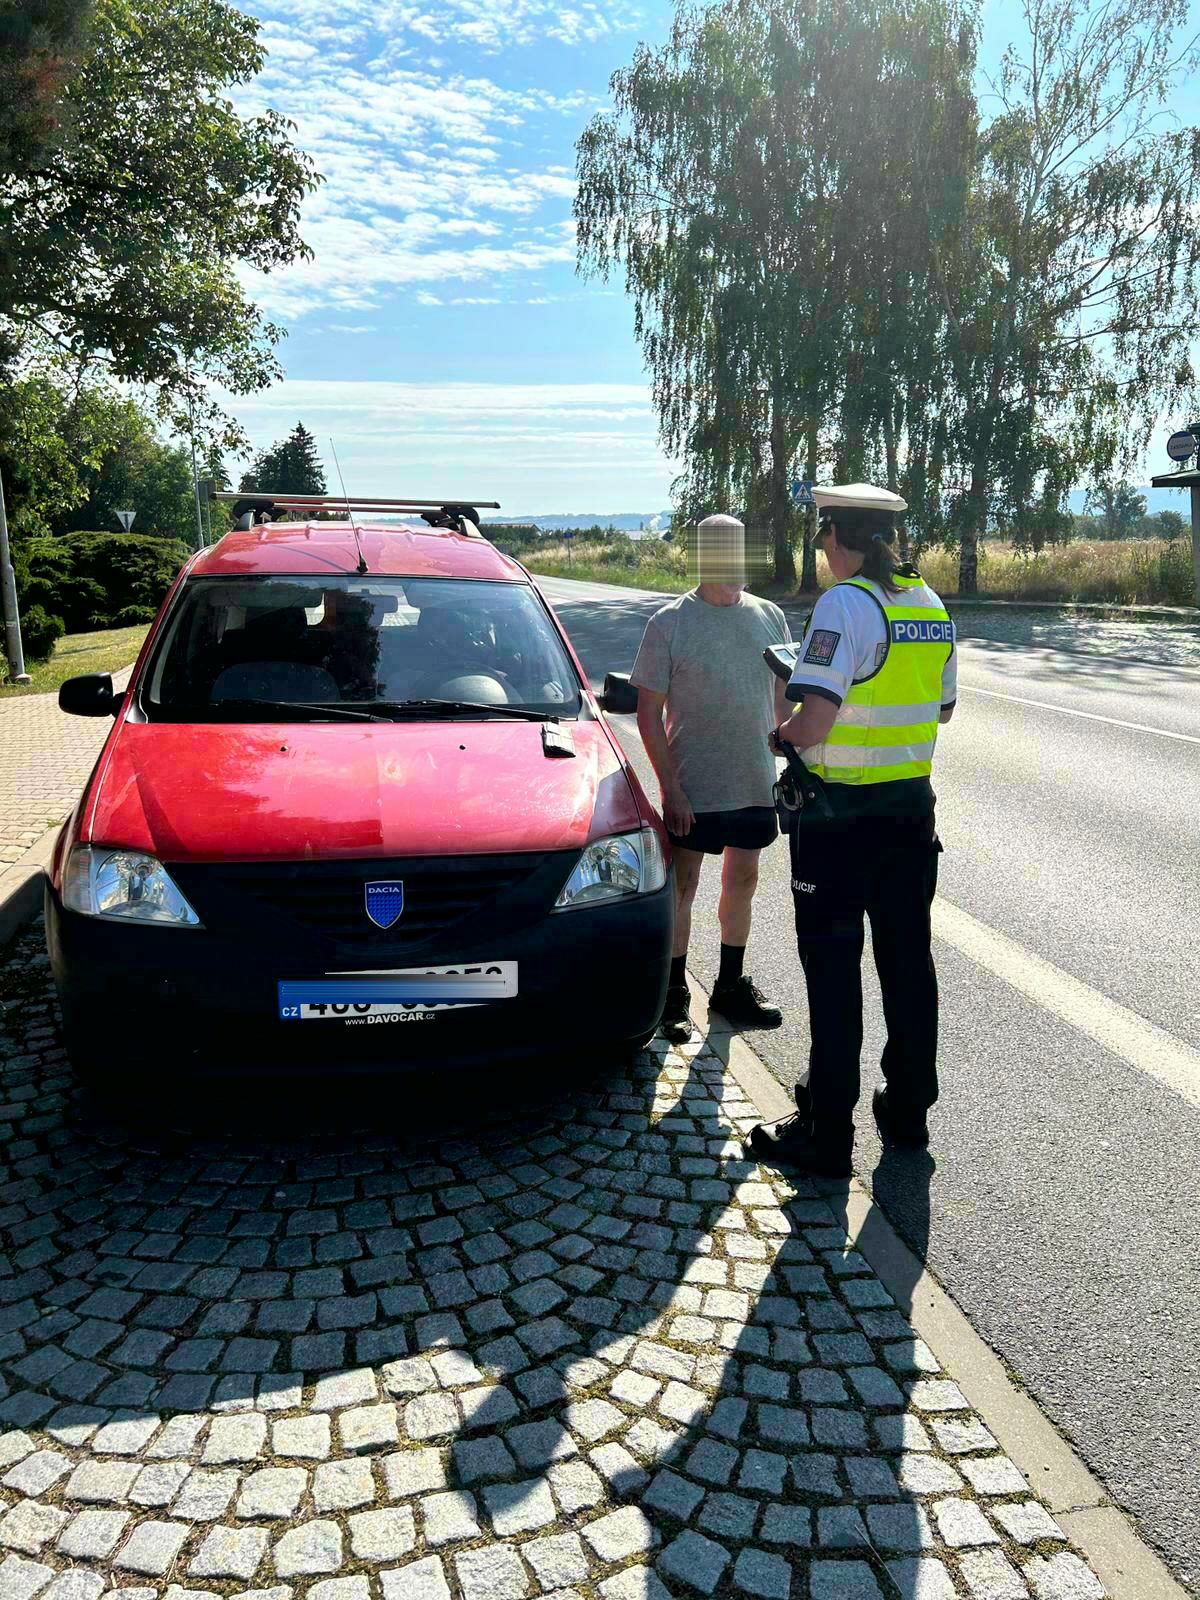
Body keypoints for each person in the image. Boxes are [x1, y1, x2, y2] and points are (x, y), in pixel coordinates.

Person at [748, 483, 957, 1178]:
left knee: (833, 974)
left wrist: (781, 737)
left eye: (823, 540)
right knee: (907, 964)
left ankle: (827, 1133)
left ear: (838, 535)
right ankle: (909, 1114)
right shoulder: (927, 603)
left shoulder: (846, 603)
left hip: (839, 823)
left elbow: (816, 720)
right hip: (909, 814)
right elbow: (944, 709)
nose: (825, 555)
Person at [631, 512, 792, 1041]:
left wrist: (787, 741)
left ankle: (729, 987)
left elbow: (780, 694)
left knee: (742, 882)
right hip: (693, 786)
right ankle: (673, 993)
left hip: (753, 781)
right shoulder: (669, 623)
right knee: (684, 885)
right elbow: (648, 714)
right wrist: (670, 787)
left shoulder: (770, 616)